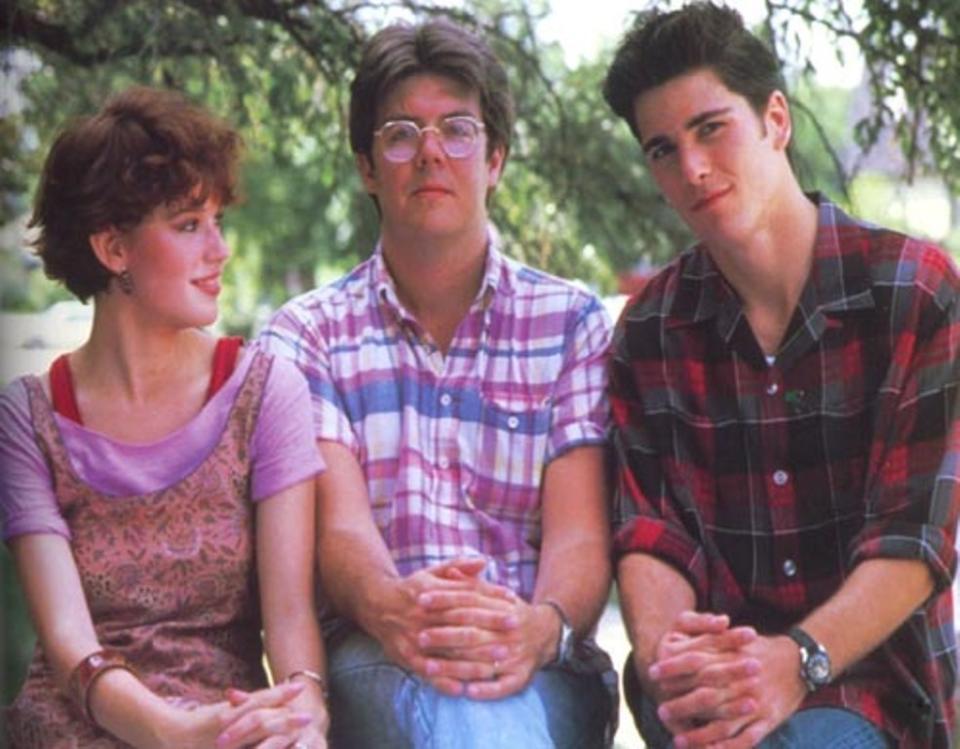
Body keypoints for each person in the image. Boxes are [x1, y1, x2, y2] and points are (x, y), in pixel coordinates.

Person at [601, 3, 959, 748]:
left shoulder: (916, 293)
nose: (691, 169)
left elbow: (916, 539)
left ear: (775, 120)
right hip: (706, 691)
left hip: (871, 686)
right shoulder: (649, 330)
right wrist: (681, 663)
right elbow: (652, 533)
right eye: (662, 149)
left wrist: (794, 661)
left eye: (711, 128)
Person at [256, 18, 616, 749]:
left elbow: (579, 536)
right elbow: (342, 529)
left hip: (540, 651)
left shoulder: (571, 323)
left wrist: (537, 626)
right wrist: (397, 609)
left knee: (488, 708)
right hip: (374, 649)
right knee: (468, 714)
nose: (429, 153)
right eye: (399, 134)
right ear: (366, 167)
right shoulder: (306, 336)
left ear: (495, 159)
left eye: (457, 129)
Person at [0, 86, 329, 748]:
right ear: (112, 248)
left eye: (219, 221)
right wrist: (173, 731)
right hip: (78, 724)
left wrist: (304, 712)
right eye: (188, 225)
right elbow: (70, 647)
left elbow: (290, 618)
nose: (220, 250)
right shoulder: (26, 420)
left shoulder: (266, 391)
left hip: (226, 720)